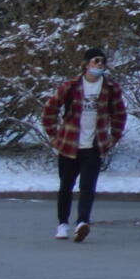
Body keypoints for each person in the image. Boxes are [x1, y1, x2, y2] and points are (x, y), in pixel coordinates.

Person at [40, 49, 126, 241]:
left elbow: (119, 114)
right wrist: (54, 135)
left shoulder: (111, 88)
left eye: (103, 62)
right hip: (69, 144)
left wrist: (113, 137)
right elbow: (49, 110)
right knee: (66, 186)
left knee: (87, 186)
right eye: (96, 61)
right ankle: (62, 224)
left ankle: (82, 222)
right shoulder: (70, 87)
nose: (100, 65)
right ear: (86, 64)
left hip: (94, 145)